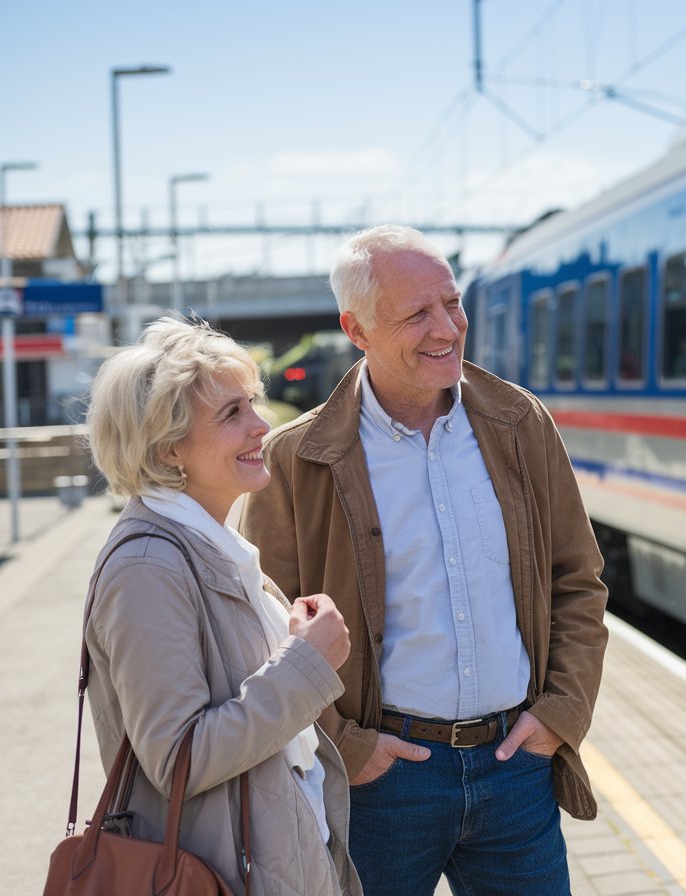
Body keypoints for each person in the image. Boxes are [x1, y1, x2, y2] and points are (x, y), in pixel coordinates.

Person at [239, 224, 609, 896]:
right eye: (417, 314)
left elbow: (578, 582)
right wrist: (346, 746)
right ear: (357, 328)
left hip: (515, 771)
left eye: (452, 302)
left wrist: (561, 712)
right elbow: (263, 627)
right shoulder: (296, 459)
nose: (447, 328)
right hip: (382, 785)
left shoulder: (520, 424)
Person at [84, 316, 362, 895]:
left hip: (261, 859)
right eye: (231, 414)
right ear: (168, 448)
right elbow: (179, 758)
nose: (261, 425)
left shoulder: (207, 543)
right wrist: (308, 664)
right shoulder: (147, 570)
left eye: (252, 403)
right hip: (224, 873)